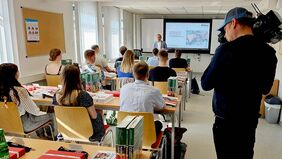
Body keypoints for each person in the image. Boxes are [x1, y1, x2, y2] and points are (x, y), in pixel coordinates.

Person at [201, 7, 277, 159]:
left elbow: (205, 83)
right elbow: (265, 89)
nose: (225, 34)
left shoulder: (224, 50)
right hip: (249, 121)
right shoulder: (268, 53)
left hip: (226, 123)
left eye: (225, 28)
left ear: (233, 23)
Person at [0, 63, 54, 139]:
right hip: (24, 125)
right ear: (13, 75)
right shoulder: (19, 91)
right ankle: (51, 139)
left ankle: (42, 137)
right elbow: (34, 111)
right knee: (53, 116)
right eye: (17, 70)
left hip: (5, 126)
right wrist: (45, 112)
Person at [53, 64, 105, 142]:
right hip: (89, 133)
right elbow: (94, 116)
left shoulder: (57, 96)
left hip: (66, 132)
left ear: (62, 77)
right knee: (98, 113)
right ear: (78, 78)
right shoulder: (83, 95)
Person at [120, 62, 165, 136]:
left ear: (133, 74)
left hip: (125, 131)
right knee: (159, 123)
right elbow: (161, 107)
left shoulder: (124, 88)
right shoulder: (154, 91)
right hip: (146, 133)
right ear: (147, 75)